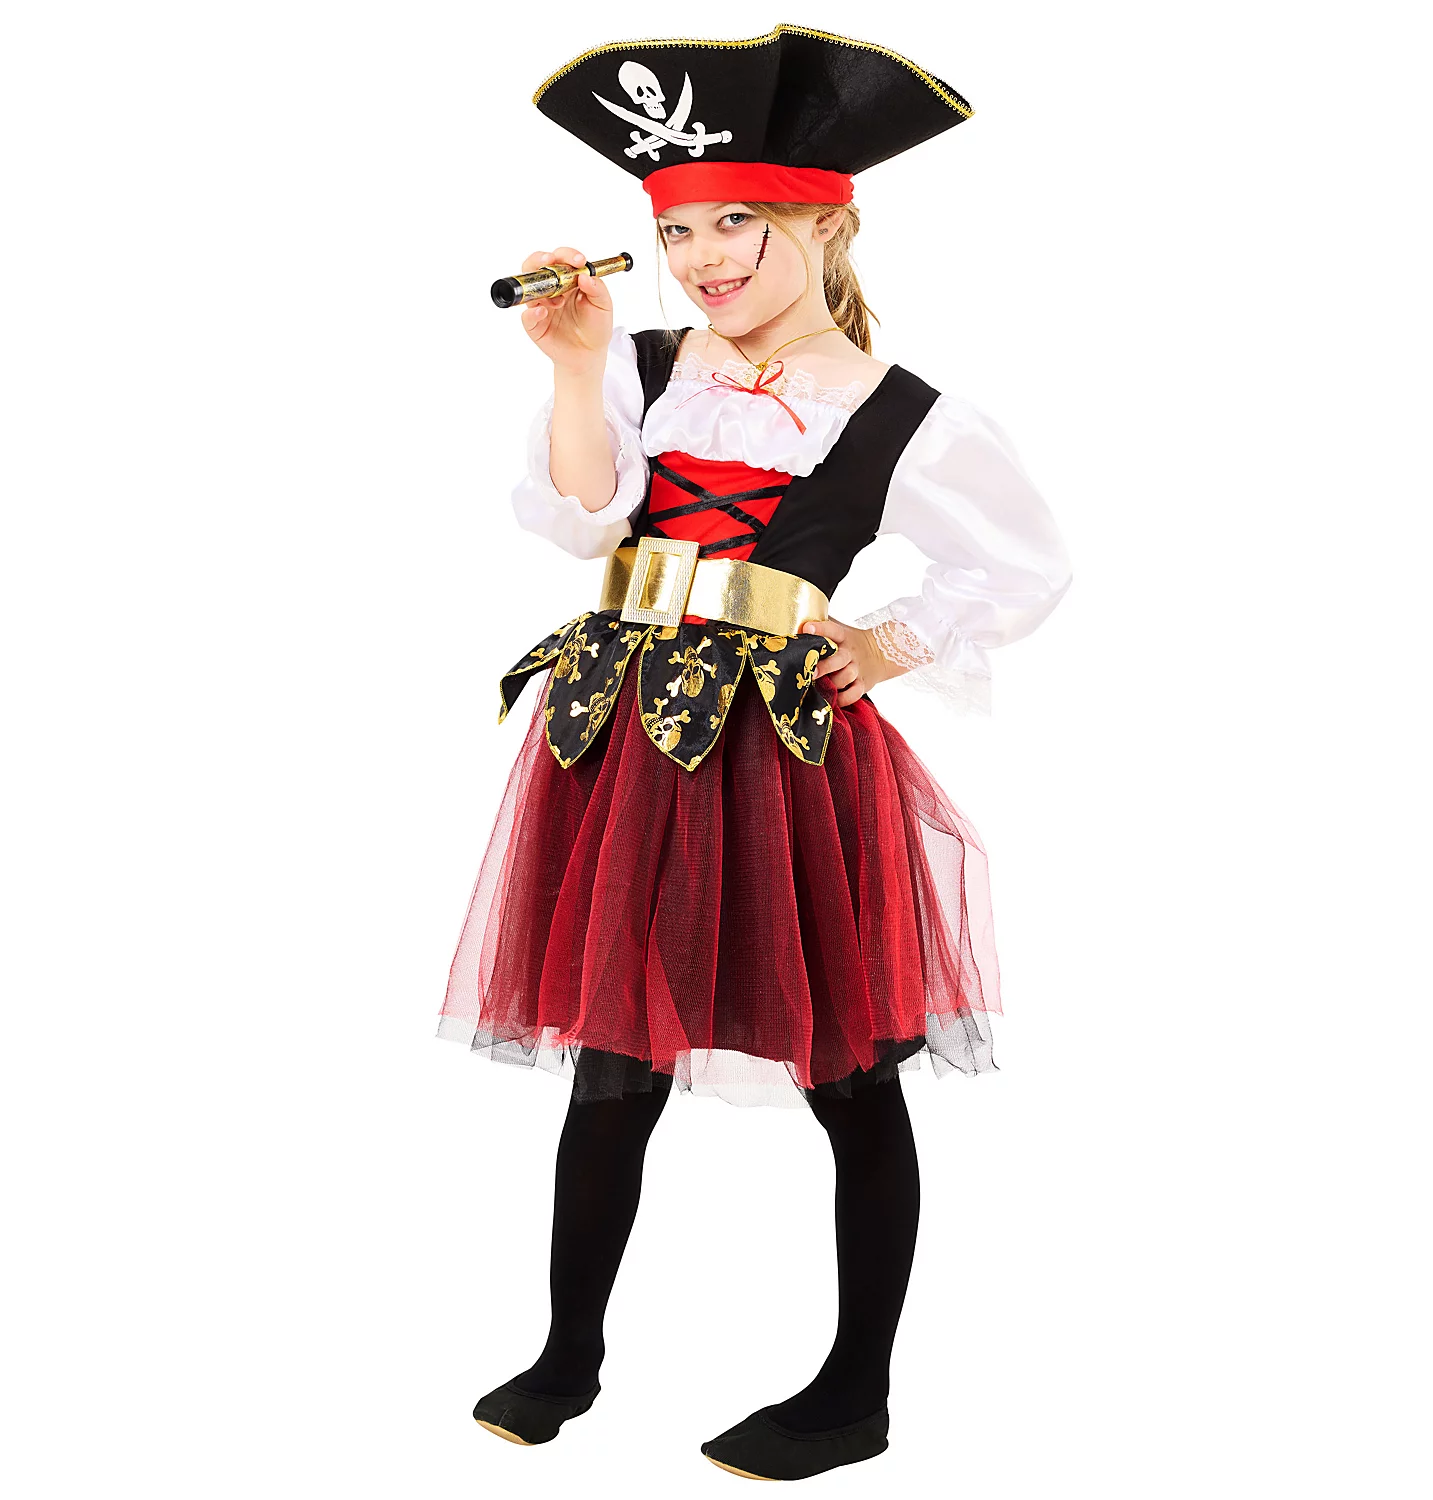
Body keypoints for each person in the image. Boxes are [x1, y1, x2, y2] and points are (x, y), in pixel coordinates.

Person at [437, 24, 1073, 1482]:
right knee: (614, 1050)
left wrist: (890, 643)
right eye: (677, 230)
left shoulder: (902, 413)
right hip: (624, 737)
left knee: (849, 1071)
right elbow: (582, 522)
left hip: (779, 758)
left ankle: (855, 1393)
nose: (703, 257)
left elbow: (1026, 564)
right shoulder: (644, 365)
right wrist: (576, 363)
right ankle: (570, 1352)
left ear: (826, 222)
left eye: (737, 222)